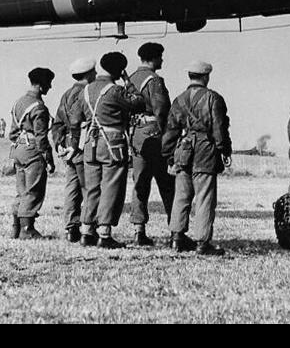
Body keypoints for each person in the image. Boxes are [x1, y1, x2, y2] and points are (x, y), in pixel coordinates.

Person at [162, 60, 232, 256]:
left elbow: (170, 130)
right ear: (206, 77)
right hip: (205, 150)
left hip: (183, 149)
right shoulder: (214, 98)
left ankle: (176, 238)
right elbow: (219, 128)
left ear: (190, 76)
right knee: (204, 197)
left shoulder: (179, 100)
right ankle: (202, 243)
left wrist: (169, 157)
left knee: (181, 196)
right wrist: (224, 149)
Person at [80, 51, 146, 249]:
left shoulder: (87, 90)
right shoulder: (114, 90)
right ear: (120, 70)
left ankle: (86, 231)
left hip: (90, 142)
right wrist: (128, 82)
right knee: (111, 187)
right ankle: (105, 233)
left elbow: (79, 115)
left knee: (92, 188)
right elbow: (139, 103)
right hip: (112, 142)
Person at [127, 41, 174, 248]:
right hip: (154, 135)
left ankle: (139, 231)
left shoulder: (130, 79)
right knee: (167, 184)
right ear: (153, 58)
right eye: (160, 56)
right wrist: (169, 137)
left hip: (136, 135)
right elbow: (162, 111)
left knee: (140, 183)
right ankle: (176, 230)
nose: (162, 60)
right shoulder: (154, 80)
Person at [49, 55, 96, 243]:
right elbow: (78, 121)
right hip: (82, 145)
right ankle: (87, 229)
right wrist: (75, 144)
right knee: (88, 188)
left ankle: (70, 228)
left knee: (71, 189)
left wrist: (61, 144)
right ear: (89, 73)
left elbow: (58, 122)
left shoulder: (66, 94)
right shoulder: (88, 93)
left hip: (68, 146)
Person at [8, 67, 56, 239]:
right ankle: (27, 229)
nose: (50, 87)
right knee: (34, 189)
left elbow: (12, 133)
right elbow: (42, 137)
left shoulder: (18, 103)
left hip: (18, 148)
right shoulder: (39, 107)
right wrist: (48, 157)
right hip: (33, 149)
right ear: (42, 84)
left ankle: (16, 227)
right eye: (49, 83)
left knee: (21, 190)